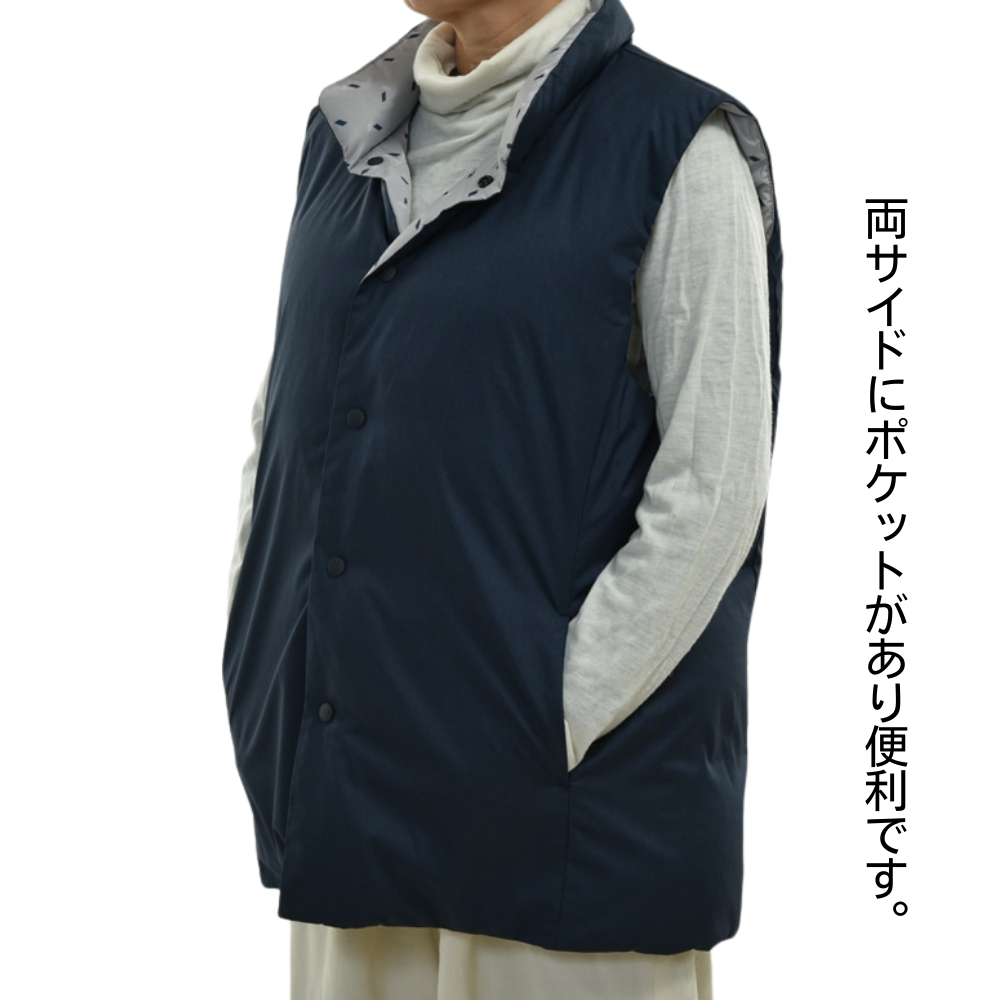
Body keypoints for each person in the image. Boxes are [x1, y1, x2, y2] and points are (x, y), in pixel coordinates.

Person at [221, 0, 782, 997]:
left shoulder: (676, 145)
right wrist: (265, 656)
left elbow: (715, 486)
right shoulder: (342, 137)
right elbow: (287, 420)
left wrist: (546, 713)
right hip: (344, 790)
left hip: (561, 840)